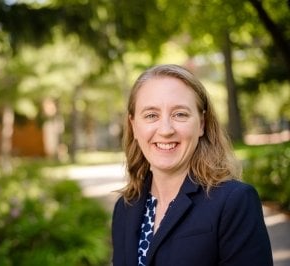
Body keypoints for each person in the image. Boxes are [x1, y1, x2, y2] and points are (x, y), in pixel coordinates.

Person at [111, 64, 273, 266]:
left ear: (202, 124)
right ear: (134, 125)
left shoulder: (234, 202)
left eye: (180, 114)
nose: (166, 130)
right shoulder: (125, 207)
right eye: (151, 115)